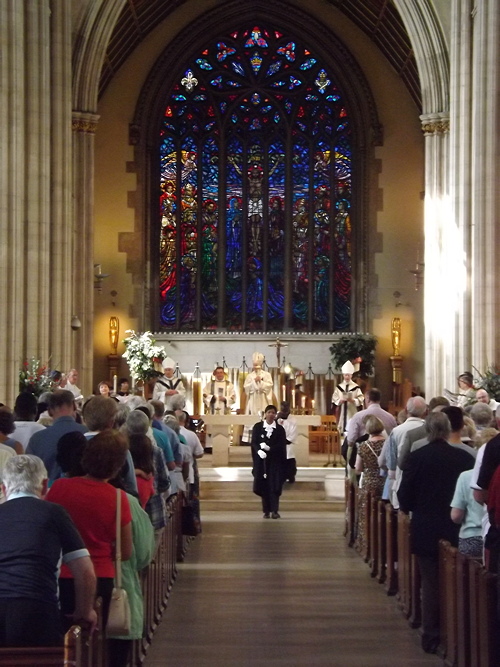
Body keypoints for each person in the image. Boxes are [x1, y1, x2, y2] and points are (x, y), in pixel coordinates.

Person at [398, 412, 475, 654]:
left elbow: (404, 497)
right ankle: (459, 634)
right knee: (458, 582)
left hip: (425, 527)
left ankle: (431, 636)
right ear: (447, 429)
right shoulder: (463, 458)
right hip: (455, 527)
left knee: (430, 583)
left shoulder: (417, 457)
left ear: (428, 431)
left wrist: (415, 508)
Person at [0, 455, 96, 647]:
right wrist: (85, 612)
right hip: (38, 609)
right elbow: (85, 572)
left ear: (3, 487)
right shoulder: (54, 513)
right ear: (44, 485)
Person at [46, 430, 133, 630]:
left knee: (64, 636)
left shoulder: (59, 488)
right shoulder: (118, 498)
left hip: (62, 574)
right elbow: (126, 552)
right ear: (118, 466)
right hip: (100, 575)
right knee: (93, 640)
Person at [26, 390, 88, 482]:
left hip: (46, 493)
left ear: (50, 411)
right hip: (82, 492)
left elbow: (28, 473)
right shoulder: (86, 433)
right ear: (74, 406)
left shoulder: (37, 438)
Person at [354, 415, 386, 554]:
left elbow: (358, 468)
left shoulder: (363, 446)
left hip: (368, 482)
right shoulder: (387, 443)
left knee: (366, 513)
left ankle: (366, 544)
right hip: (384, 482)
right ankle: (383, 544)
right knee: (384, 514)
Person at [251, 405, 287, 519]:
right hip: (262, 463)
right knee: (264, 486)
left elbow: (281, 445)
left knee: (274, 486)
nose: (271, 414)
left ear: (275, 415)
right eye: (269, 412)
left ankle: (275, 510)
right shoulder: (258, 427)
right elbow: (254, 442)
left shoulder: (280, 429)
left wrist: (270, 449)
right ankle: (266, 510)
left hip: (275, 462)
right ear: (265, 414)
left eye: (273, 413)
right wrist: (258, 451)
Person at [451, 468, 485, 558]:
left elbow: (456, 516)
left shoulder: (466, 476)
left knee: (466, 570)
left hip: (471, 538)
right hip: (494, 539)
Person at [243, 352, 273, 444]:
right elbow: (246, 388)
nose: (256, 369)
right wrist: (254, 383)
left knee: (264, 416)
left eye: (258, 367)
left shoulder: (267, 375)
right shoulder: (249, 376)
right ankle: (253, 440)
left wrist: (261, 382)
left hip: (263, 398)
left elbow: (270, 385)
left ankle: (265, 439)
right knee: (253, 418)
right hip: (253, 400)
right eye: (254, 366)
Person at [331, 360, 364, 435]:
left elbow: (361, 398)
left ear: (351, 375)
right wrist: (340, 401)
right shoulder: (339, 387)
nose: (347, 377)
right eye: (345, 375)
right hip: (341, 410)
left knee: (351, 428)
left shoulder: (356, 387)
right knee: (341, 427)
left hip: (352, 410)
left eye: (348, 375)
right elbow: (334, 398)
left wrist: (354, 400)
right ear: (343, 375)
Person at [277, 401, 297, 483]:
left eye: (286, 407)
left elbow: (294, 432)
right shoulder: (276, 418)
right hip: (278, 444)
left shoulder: (293, 420)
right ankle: (279, 476)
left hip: (287, 443)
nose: (284, 409)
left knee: (289, 460)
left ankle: (290, 475)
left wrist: (286, 440)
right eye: (282, 407)